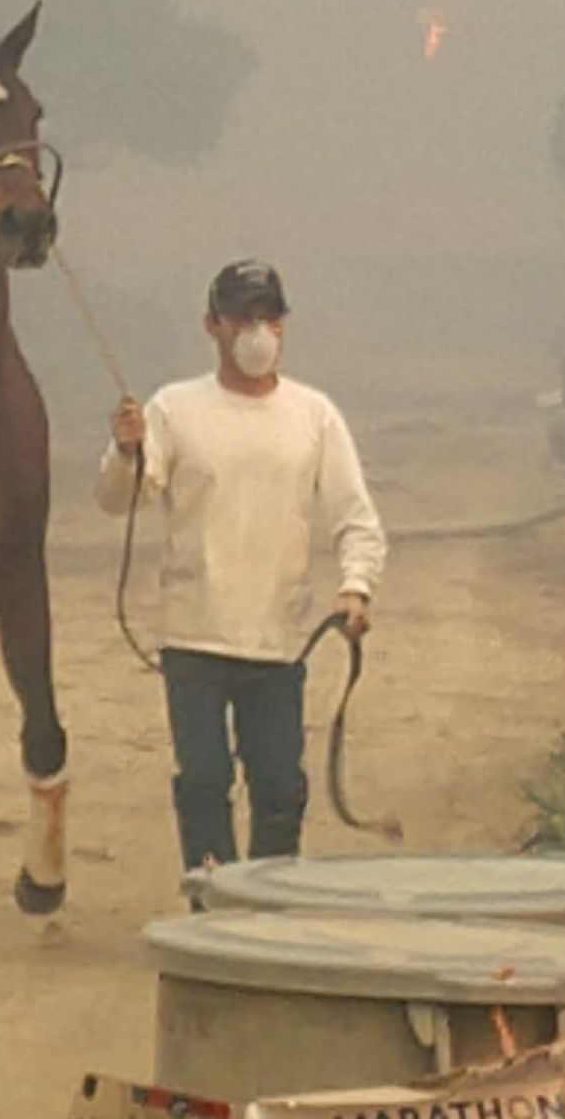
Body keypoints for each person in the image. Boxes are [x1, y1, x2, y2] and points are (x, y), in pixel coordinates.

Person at [98, 259, 386, 871]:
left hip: (280, 639)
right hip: (194, 632)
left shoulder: (315, 415)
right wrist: (125, 450)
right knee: (203, 781)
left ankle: (270, 901)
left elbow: (354, 515)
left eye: (269, 319)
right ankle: (212, 899)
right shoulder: (174, 409)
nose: (257, 333)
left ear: (284, 325)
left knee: (281, 786)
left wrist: (355, 587)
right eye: (242, 318)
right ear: (213, 324)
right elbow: (122, 497)